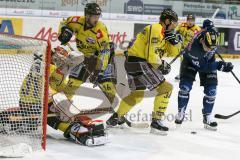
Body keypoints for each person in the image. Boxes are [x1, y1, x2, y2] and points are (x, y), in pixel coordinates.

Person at [106, 8, 181, 135]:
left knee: (137, 95)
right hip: (140, 62)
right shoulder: (156, 29)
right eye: (174, 22)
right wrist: (161, 65)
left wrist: (174, 42)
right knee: (166, 88)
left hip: (133, 63)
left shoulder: (164, 33)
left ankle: (116, 118)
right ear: (167, 21)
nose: (175, 25)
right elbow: (151, 56)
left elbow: (173, 53)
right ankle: (156, 122)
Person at [175, 20, 234, 131]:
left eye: (212, 47)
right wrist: (221, 65)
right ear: (202, 40)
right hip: (190, 61)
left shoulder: (212, 33)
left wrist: (208, 24)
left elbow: (208, 24)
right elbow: (203, 67)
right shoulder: (194, 49)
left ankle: (207, 116)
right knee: (185, 87)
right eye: (207, 47)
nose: (210, 50)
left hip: (208, 62)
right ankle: (181, 112)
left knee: (212, 91)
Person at [174, 14, 201, 80]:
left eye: (192, 20)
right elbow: (175, 33)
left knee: (191, 62)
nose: (190, 22)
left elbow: (199, 40)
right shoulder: (181, 25)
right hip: (183, 47)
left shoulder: (197, 29)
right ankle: (181, 74)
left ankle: (191, 75)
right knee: (182, 61)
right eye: (189, 20)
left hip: (192, 49)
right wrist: (177, 36)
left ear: (194, 21)